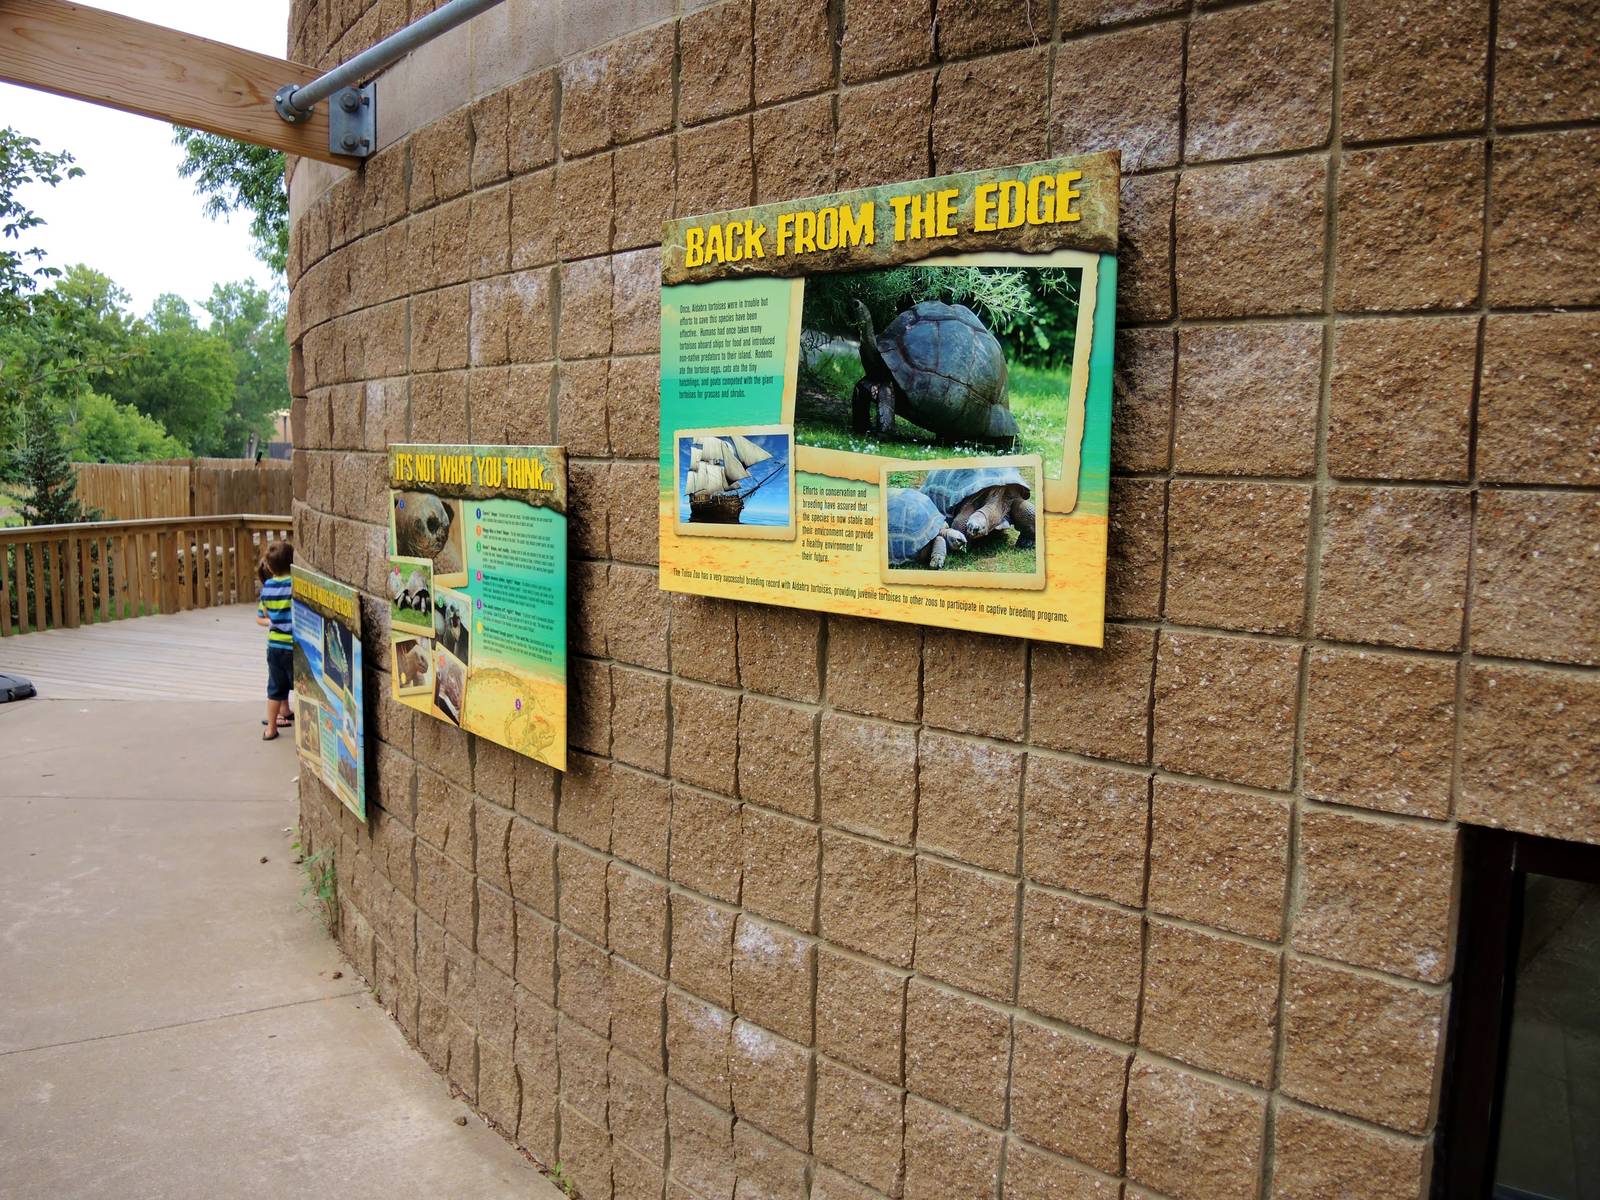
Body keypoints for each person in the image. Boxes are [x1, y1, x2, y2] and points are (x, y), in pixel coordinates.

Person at [256, 541, 295, 740]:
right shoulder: (296, 584)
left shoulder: (267, 588)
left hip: (274, 646)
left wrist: (273, 620)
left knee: (275, 688)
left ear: (269, 567)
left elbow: (262, 615)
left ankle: (271, 728)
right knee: (300, 683)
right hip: (293, 645)